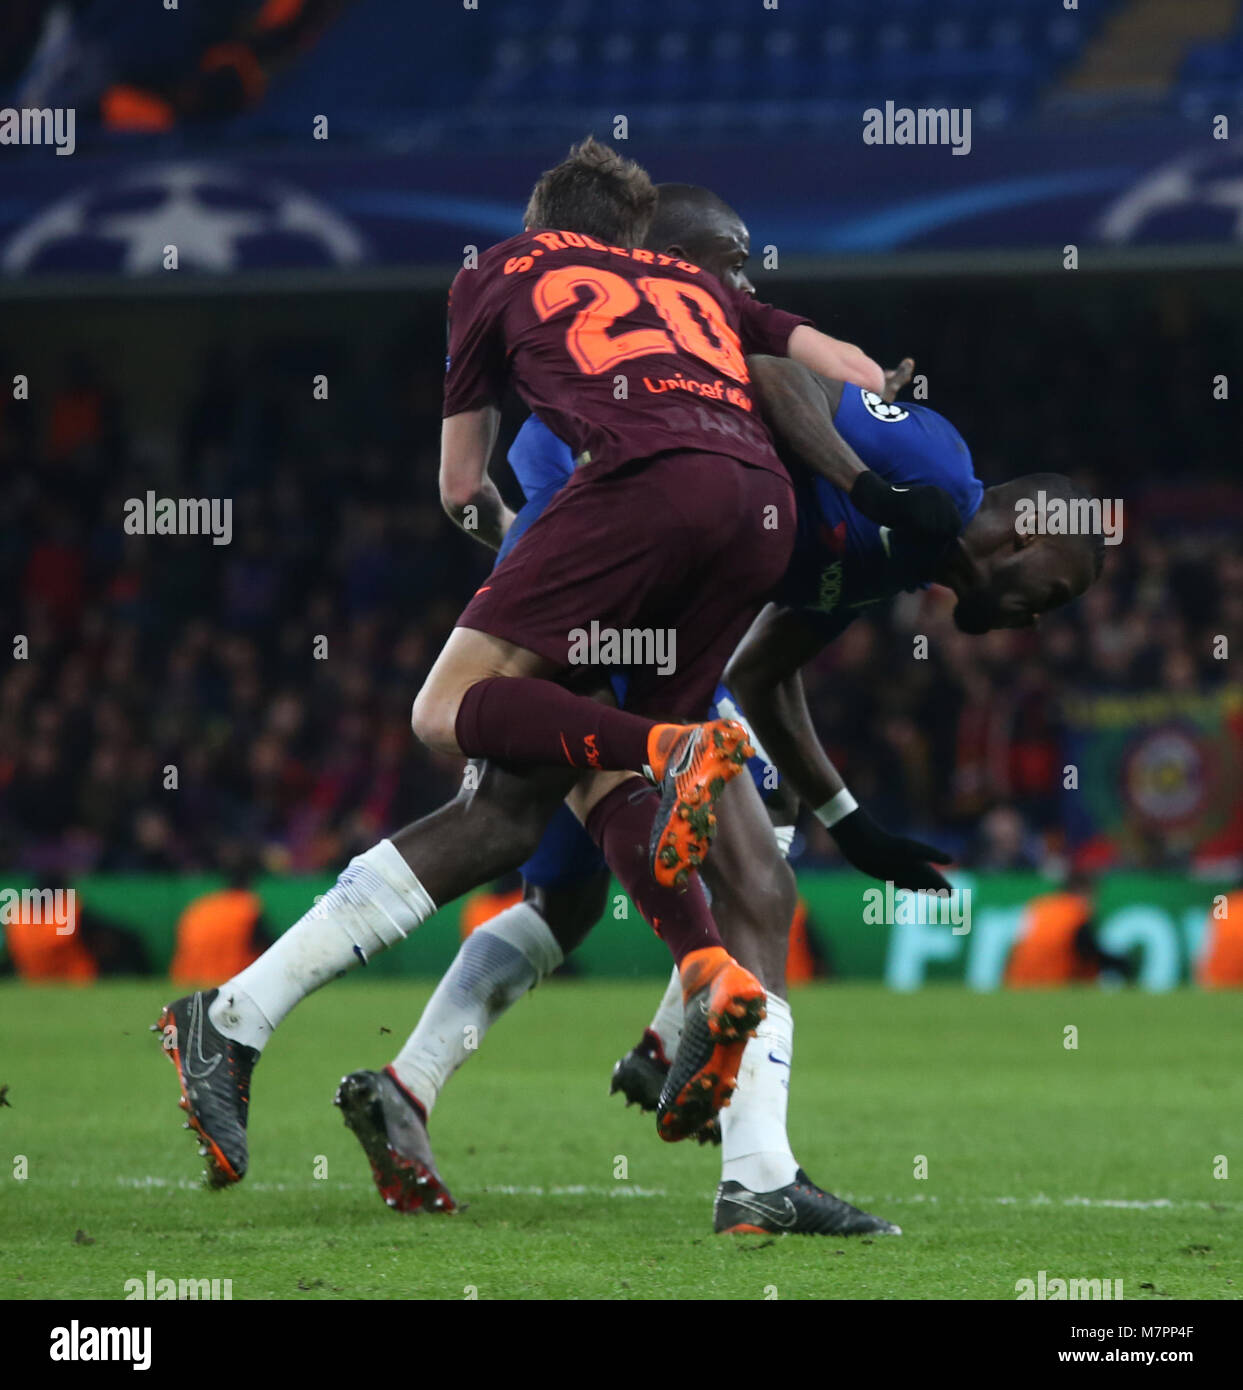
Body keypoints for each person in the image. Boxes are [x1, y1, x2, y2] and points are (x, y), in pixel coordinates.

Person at [153, 144, 962, 1201]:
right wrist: (875, 435)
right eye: (729, 265)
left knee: (458, 724)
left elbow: (462, 487)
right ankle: (710, 1049)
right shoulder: (696, 303)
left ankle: (247, 1019)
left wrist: (506, 571)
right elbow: (835, 358)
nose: (740, 283)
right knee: (588, 829)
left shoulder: (505, 282)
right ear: (652, 251)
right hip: (746, 526)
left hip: (628, 532)